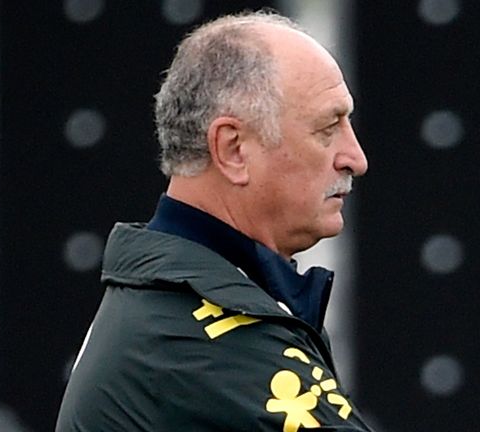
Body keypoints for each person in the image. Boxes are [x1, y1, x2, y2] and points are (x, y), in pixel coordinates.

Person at [55, 9, 371, 431]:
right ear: (233, 149)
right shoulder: (207, 342)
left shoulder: (173, 305)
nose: (356, 159)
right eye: (327, 128)